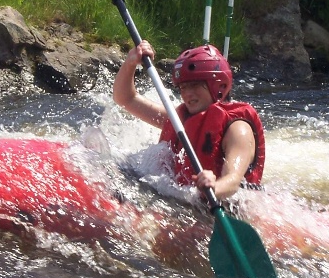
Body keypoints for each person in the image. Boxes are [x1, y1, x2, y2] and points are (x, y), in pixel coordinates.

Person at [113, 41, 265, 201]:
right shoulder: (179, 119)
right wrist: (131, 62)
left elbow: (233, 180)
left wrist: (214, 186)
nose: (187, 94)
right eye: (183, 87)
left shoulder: (238, 129)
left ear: (219, 85)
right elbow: (125, 99)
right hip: (179, 201)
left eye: (195, 85)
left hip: (222, 209)